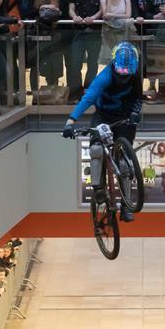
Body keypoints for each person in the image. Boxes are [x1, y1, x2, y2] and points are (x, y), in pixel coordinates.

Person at [62, 42, 142, 221]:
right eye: (121, 71)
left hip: (125, 117)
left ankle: (127, 204)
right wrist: (70, 121)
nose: (124, 76)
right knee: (96, 150)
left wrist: (136, 113)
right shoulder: (104, 78)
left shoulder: (135, 75)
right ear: (114, 64)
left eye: (128, 73)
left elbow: (138, 97)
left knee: (124, 164)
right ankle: (97, 188)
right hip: (103, 116)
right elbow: (88, 98)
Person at [69, 0, 106, 102]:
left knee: (92, 63)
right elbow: (71, 8)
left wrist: (94, 18)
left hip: (95, 32)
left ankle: (89, 90)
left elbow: (103, 9)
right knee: (75, 62)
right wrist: (74, 17)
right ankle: (76, 91)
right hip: (78, 32)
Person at [99, 0, 132, 64]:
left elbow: (128, 15)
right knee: (110, 60)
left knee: (123, 59)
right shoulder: (103, 0)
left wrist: (112, 15)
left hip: (123, 32)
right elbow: (106, 15)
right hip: (109, 33)